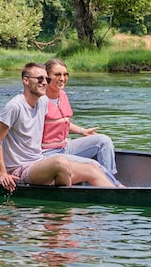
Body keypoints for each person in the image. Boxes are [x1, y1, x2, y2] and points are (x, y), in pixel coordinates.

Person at [0, 62, 116, 192]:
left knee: (92, 168)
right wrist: (3, 174)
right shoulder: (14, 106)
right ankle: (65, 204)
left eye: (47, 79)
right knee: (60, 162)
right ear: (26, 80)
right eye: (40, 79)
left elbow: (56, 124)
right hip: (21, 169)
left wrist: (80, 132)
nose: (45, 82)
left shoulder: (43, 101)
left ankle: (116, 197)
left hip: (40, 161)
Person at [42, 59, 122, 187]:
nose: (62, 78)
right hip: (47, 154)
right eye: (57, 74)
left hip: (64, 147)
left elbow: (62, 123)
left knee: (103, 141)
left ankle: (109, 180)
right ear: (47, 77)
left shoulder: (62, 95)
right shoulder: (39, 101)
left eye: (65, 74)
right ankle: (115, 186)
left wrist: (82, 131)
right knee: (93, 165)